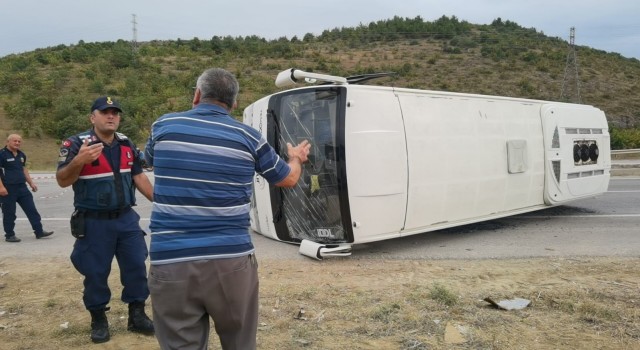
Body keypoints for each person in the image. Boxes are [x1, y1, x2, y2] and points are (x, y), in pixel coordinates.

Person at [145, 68, 311, 350]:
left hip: (171, 260)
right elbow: (288, 179)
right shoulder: (249, 137)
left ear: (197, 95)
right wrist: (296, 158)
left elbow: (148, 160)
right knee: (239, 342)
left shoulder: (164, 126)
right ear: (234, 104)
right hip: (231, 261)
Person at [55, 96, 155, 344]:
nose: (111, 116)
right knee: (95, 273)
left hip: (126, 219)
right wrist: (79, 160)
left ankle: (137, 315)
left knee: (136, 267)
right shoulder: (77, 144)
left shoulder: (125, 143)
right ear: (93, 117)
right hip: (94, 222)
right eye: (105, 112)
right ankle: (98, 319)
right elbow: (62, 180)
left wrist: (162, 202)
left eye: (115, 113)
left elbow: (139, 177)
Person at [0, 134, 54, 242]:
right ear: (8, 142)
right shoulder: (2, 154)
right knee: (9, 213)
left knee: (32, 210)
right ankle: (9, 235)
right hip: (7, 189)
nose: (17, 143)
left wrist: (31, 183)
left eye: (19, 141)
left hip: (22, 188)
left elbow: (23, 169)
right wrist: (1, 187)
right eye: (15, 141)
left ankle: (39, 231)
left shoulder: (21, 155)